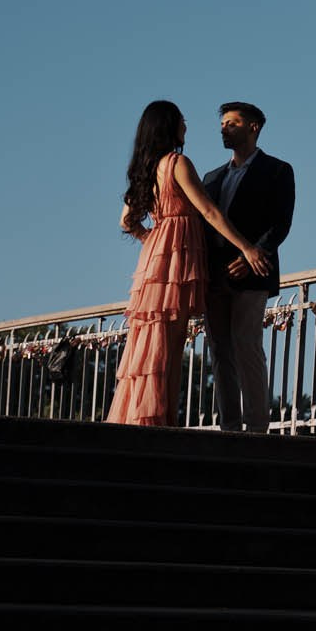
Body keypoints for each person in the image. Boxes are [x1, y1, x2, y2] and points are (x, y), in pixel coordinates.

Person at [108, 100, 265, 429]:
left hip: (155, 258)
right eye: (181, 120)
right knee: (171, 341)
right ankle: (161, 423)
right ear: (169, 126)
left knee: (151, 339)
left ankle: (149, 416)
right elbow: (208, 211)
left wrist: (152, 239)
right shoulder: (177, 163)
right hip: (177, 259)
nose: (186, 125)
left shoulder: (147, 168)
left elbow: (126, 221)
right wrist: (246, 248)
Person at [201, 101, 295, 434]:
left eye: (232, 123)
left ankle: (256, 427)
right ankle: (229, 427)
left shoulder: (278, 170)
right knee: (220, 351)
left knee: (247, 344)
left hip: (254, 272)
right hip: (214, 276)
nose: (224, 128)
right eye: (223, 123)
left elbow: (281, 223)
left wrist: (252, 256)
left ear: (253, 127)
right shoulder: (211, 177)